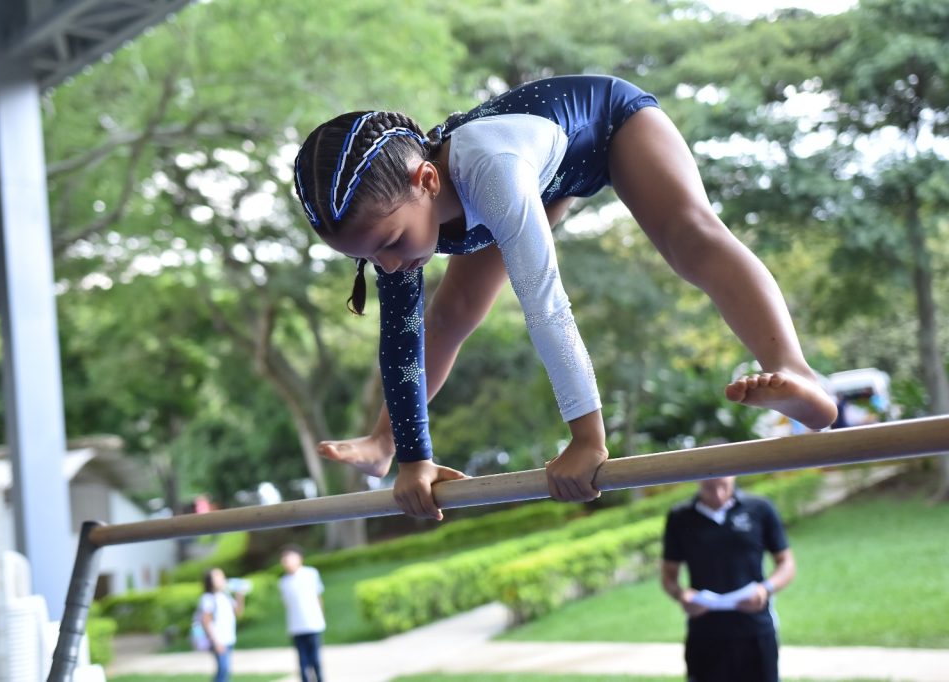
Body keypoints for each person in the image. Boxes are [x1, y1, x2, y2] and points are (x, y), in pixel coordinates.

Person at [292, 74, 838, 519]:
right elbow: (401, 338)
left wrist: (587, 440)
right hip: (541, 175)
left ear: (428, 180)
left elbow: (546, 304)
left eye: (389, 244)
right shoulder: (397, 216)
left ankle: (797, 373)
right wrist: (414, 457)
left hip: (610, 124)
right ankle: (385, 442)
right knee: (451, 313)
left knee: (690, 239)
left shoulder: (490, 173)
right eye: (367, 260)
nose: (387, 265)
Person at [661, 475, 796, 682]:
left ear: (733, 476)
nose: (717, 494)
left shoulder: (759, 508)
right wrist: (681, 595)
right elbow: (668, 574)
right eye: (709, 488)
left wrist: (765, 589)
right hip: (705, 632)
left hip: (755, 629)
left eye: (723, 486)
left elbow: (786, 563)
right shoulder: (680, 516)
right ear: (698, 480)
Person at [278, 544, 326, 682]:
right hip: (296, 627)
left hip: (313, 624)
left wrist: (321, 616)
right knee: (303, 662)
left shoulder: (311, 574)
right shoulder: (283, 582)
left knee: (315, 660)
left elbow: (318, 597)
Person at [196, 567, 245, 682]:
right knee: (223, 670)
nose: (222, 579)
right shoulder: (208, 598)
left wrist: (240, 596)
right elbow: (206, 621)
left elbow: (238, 612)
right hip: (219, 640)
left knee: (225, 671)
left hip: (229, 638)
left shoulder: (226, 596)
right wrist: (216, 642)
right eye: (217, 577)